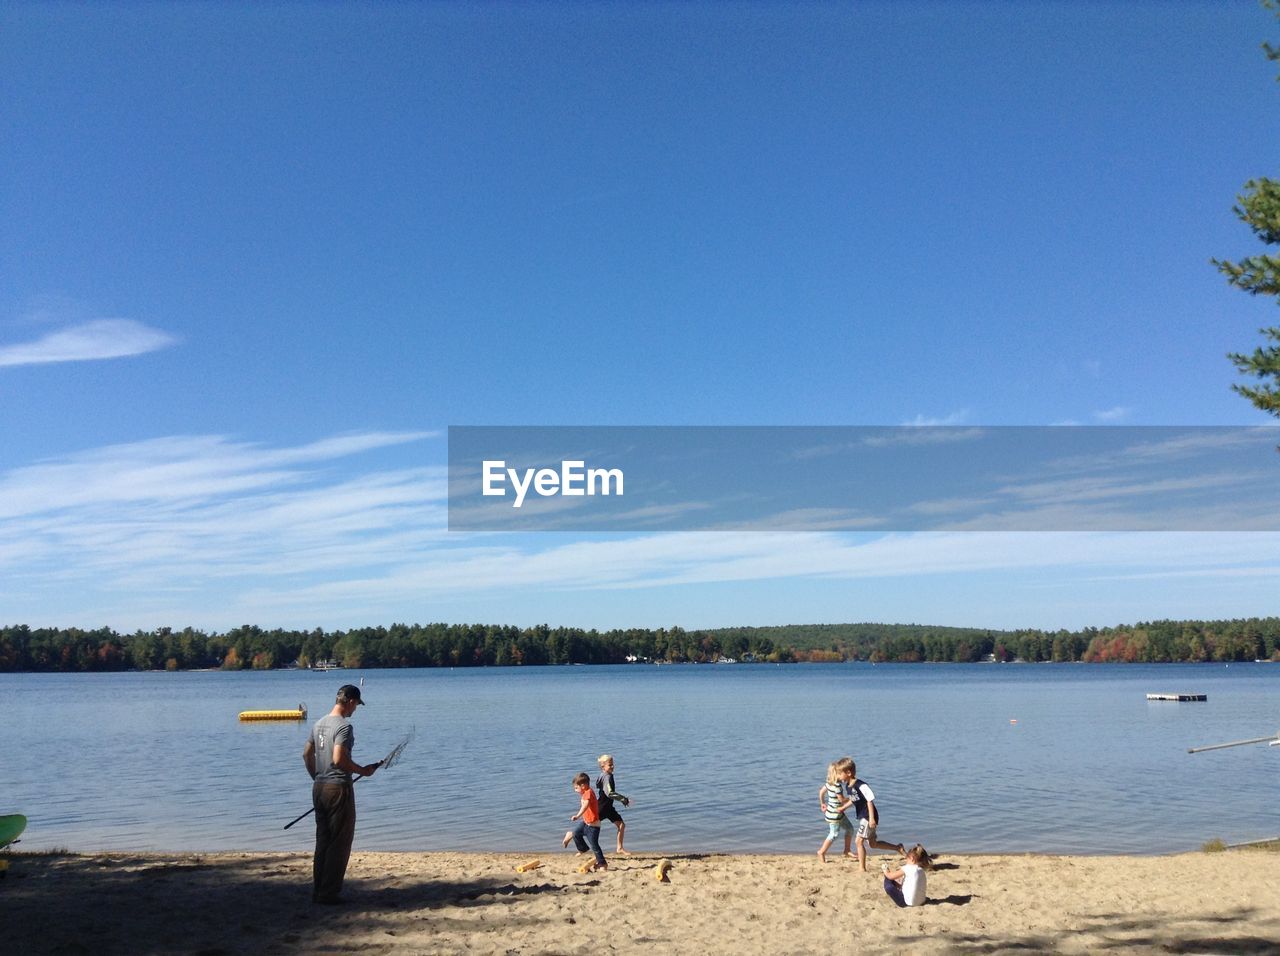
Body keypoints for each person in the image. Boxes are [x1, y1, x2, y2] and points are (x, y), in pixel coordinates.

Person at [302, 684, 379, 904]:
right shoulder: (344, 727)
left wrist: (316, 776)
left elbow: (306, 754)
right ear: (351, 701)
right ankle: (329, 893)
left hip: (319, 787)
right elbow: (338, 759)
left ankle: (319, 890)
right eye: (356, 705)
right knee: (340, 841)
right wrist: (363, 771)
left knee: (323, 840)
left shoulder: (318, 723)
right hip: (338, 788)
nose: (356, 710)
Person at [848, 760, 905, 871]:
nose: (838, 776)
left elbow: (870, 800)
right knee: (873, 844)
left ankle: (862, 868)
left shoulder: (860, 785)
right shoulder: (848, 786)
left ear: (849, 773)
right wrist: (842, 807)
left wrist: (872, 818)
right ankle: (898, 848)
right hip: (864, 816)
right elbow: (854, 800)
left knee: (858, 841)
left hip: (868, 816)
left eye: (840, 773)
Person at [562, 771, 607, 872]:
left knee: (595, 845)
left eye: (576, 788)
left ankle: (602, 864)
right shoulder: (584, 793)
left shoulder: (588, 793)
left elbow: (585, 806)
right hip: (586, 823)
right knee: (576, 834)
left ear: (583, 786)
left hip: (593, 826)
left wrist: (577, 816)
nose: (575, 790)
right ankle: (582, 848)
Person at [816, 758, 854, 862]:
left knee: (850, 829)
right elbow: (841, 800)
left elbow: (821, 792)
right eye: (840, 773)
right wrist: (851, 799)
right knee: (834, 834)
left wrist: (822, 803)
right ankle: (821, 852)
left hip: (838, 813)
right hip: (834, 815)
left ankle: (847, 850)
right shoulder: (837, 786)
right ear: (836, 774)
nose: (842, 775)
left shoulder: (828, 784)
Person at [595, 754, 632, 854]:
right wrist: (623, 799)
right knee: (588, 826)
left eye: (613, 764)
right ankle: (572, 834)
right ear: (603, 767)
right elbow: (610, 793)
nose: (612, 766)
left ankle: (619, 848)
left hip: (609, 808)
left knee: (621, 825)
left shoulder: (604, 775)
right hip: (602, 808)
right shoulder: (606, 777)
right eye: (610, 765)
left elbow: (598, 785)